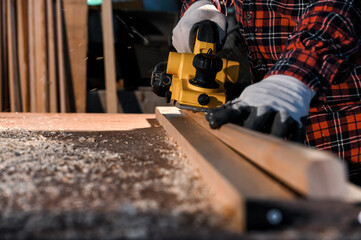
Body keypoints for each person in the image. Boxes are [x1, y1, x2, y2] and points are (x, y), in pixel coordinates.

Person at [172, 0, 361, 181]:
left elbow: (341, 7)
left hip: (343, 143)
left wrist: (290, 81)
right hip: (272, 136)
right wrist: (201, 6)